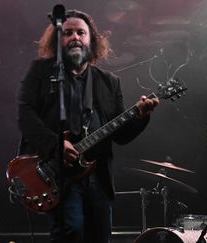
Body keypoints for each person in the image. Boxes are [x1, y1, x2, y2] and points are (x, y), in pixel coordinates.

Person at [16, 9, 159, 243]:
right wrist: (55, 144)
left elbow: (121, 136)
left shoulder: (108, 82)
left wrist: (141, 116)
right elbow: (25, 117)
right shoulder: (40, 73)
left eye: (81, 33)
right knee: (72, 232)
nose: (75, 37)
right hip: (57, 175)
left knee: (100, 237)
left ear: (92, 40)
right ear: (58, 39)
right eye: (68, 32)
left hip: (97, 176)